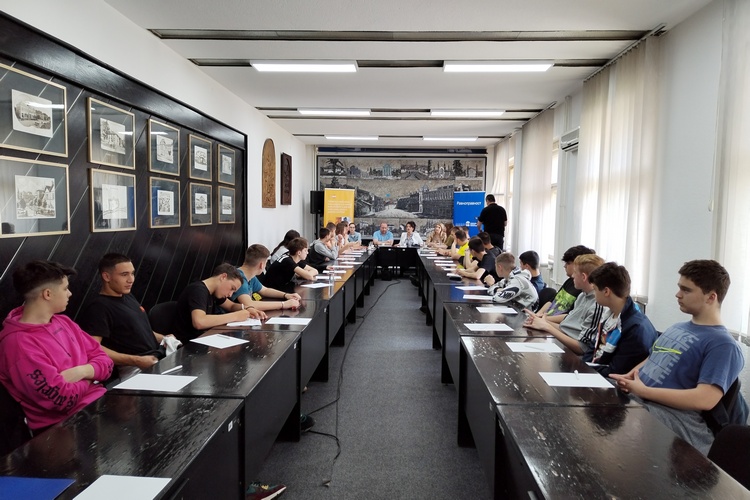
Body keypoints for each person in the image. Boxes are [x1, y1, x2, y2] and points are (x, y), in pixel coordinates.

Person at [610, 260, 748, 456]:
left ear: (711, 297)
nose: (678, 294)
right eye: (679, 288)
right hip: (641, 399)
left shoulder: (723, 344)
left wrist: (644, 391)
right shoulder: (677, 328)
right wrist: (630, 376)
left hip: (674, 417)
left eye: (686, 290)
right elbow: (653, 358)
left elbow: (705, 399)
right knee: (595, 396)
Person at [0, 261, 113, 432]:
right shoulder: (17, 344)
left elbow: (106, 362)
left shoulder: (64, 322)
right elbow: (62, 399)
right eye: (65, 288)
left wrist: (82, 372)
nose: (70, 293)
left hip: (99, 404)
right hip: (63, 428)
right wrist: (92, 376)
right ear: (47, 294)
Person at [78, 254, 168, 376]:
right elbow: (93, 348)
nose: (131, 279)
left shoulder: (127, 296)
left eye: (132, 273)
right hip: (134, 368)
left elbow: (139, 330)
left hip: (156, 357)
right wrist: (136, 360)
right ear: (106, 276)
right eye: (124, 274)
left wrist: (165, 338)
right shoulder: (98, 307)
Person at [523, 254, 607, 356]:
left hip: (575, 357)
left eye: (575, 272)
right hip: (564, 346)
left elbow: (582, 348)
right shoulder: (582, 296)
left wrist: (547, 326)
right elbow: (566, 328)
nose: (572, 276)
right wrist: (541, 321)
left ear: (584, 277)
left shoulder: (597, 306)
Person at [585, 262, 658, 377]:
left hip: (610, 381)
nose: (594, 294)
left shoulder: (635, 328)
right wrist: (582, 365)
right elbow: (593, 348)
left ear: (606, 291)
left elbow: (617, 371)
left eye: (595, 289)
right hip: (595, 371)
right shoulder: (608, 315)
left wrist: (584, 368)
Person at [173, 263, 257, 342]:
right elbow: (199, 322)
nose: (230, 295)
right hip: (187, 344)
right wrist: (236, 316)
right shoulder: (198, 290)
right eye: (232, 288)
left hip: (204, 338)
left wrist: (248, 308)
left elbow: (231, 306)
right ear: (223, 277)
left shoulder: (214, 292)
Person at [231, 244, 302, 313]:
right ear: (261, 265)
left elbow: (264, 290)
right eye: (266, 262)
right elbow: (249, 304)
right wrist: (284, 304)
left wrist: (286, 295)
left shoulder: (250, 276)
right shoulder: (239, 278)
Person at [535, 245, 596, 317]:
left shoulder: (582, 289)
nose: (565, 266)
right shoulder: (569, 281)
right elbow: (552, 301)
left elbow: (570, 316)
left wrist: (544, 319)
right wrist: (538, 315)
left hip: (553, 322)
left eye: (568, 263)